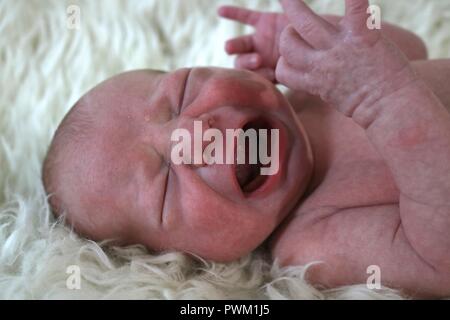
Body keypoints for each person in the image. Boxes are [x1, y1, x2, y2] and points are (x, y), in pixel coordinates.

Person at [42, 0, 450, 297]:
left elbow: (412, 50)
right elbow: (441, 259)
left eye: (182, 95)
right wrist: (384, 99)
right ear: (184, 258)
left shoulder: (310, 92)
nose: (194, 136)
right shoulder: (314, 241)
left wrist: (323, 45)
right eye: (165, 183)